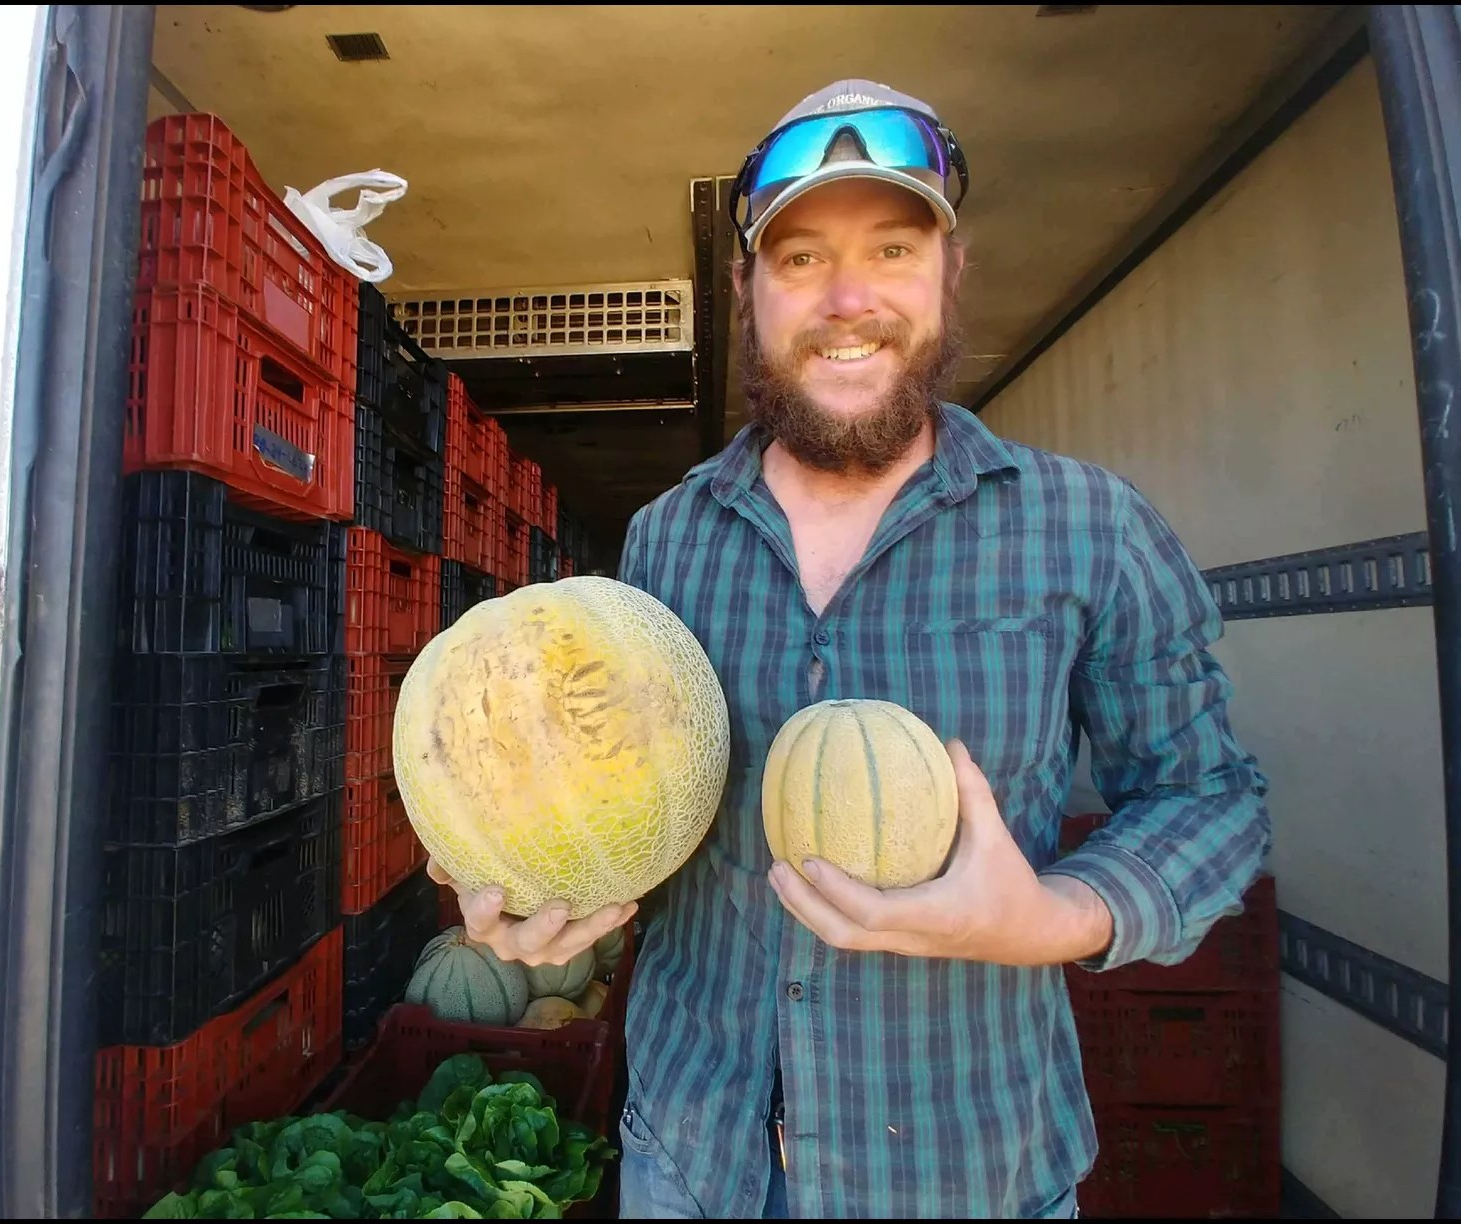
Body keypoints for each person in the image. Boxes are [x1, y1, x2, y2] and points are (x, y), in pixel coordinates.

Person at [429, 77, 1271, 1219]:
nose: (846, 298)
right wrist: (551, 887)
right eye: (797, 260)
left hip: (967, 1174)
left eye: (889, 248)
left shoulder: (1088, 528)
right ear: (746, 289)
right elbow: (626, 804)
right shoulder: (664, 538)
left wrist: (1053, 918)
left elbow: (1209, 797)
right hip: (692, 1164)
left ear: (948, 273)